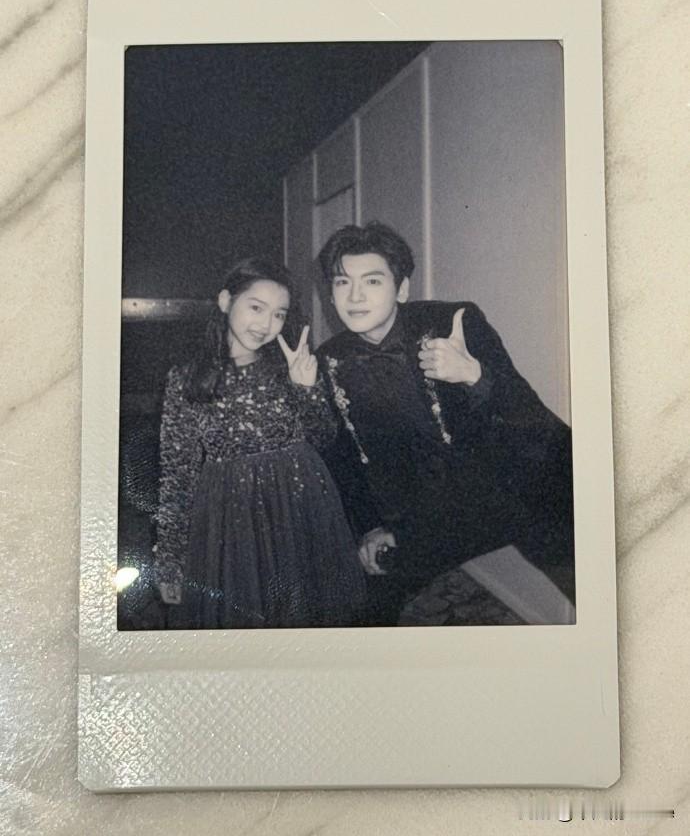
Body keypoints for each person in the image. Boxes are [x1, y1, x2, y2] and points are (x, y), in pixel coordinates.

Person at [316, 221, 574, 625]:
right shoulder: (327, 361)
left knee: (596, 582)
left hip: (513, 485)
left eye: (372, 281)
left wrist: (474, 375)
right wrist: (369, 526)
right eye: (342, 282)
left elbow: (528, 413)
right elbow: (342, 455)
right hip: (425, 510)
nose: (355, 296)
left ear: (402, 289)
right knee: (363, 604)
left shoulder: (455, 322)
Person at [153, 257, 366, 629]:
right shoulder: (186, 379)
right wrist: (170, 559)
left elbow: (324, 439)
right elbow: (177, 474)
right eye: (256, 308)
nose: (266, 324)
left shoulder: (289, 367)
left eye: (279, 314)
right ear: (225, 301)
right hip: (231, 520)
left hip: (301, 509)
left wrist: (306, 390)